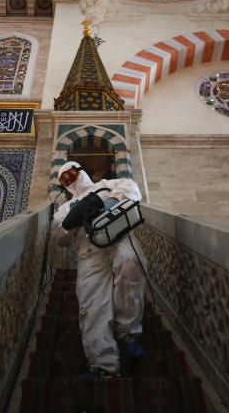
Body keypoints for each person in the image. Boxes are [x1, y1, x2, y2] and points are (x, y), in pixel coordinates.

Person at [53, 161, 147, 378]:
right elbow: (59, 237)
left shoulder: (106, 184)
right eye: (64, 180)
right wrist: (73, 220)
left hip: (119, 238)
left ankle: (127, 334)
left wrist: (111, 200)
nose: (70, 180)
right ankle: (104, 366)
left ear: (80, 170)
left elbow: (130, 187)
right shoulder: (64, 209)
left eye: (71, 174)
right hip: (89, 253)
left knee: (129, 263)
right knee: (92, 302)